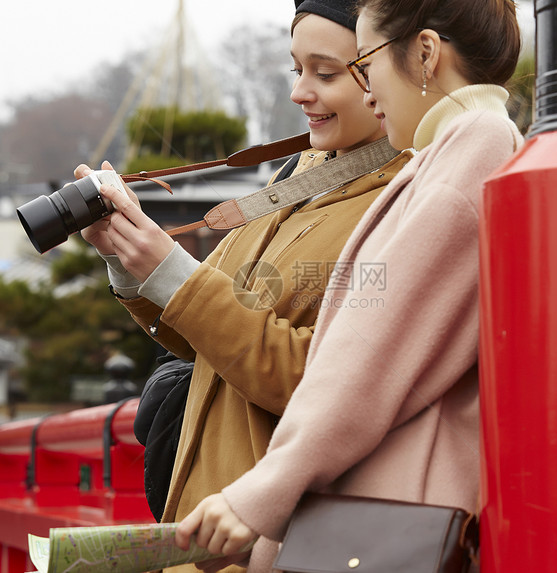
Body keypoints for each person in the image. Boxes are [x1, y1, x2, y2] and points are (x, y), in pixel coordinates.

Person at [174, 0, 523, 571]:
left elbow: (371, 347)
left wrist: (263, 493)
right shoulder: (454, 151)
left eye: (364, 65)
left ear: (427, 54)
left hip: (392, 507)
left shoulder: (474, 144)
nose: (367, 93)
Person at [74, 1, 410, 571]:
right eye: (295, 70)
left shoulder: (409, 200)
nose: (300, 92)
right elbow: (208, 338)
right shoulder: (296, 174)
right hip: (210, 524)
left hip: (284, 539)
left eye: (325, 73)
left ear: (390, 70)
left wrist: (174, 275)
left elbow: (328, 382)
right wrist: (133, 262)